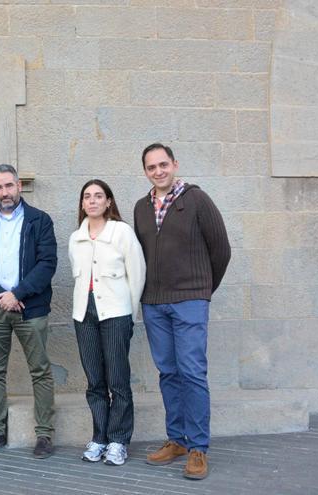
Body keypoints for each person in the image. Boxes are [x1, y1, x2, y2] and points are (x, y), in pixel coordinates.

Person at [134, 143, 230, 480]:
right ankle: (176, 439)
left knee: (191, 372)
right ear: (145, 171)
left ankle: (198, 447)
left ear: (174, 164)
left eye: (163, 164)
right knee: (168, 372)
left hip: (189, 301)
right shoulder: (140, 208)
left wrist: (202, 291)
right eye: (151, 167)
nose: (158, 171)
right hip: (154, 303)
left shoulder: (197, 200)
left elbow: (221, 249)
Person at [0, 164, 58, 459]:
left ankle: (44, 434)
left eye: (8, 185)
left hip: (30, 308)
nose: (4, 192)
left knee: (40, 371)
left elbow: (47, 264)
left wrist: (17, 294)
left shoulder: (39, 220)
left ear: (19, 186)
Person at [68, 179, 145, 466]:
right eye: (87, 196)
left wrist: (131, 315)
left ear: (109, 201)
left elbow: (137, 275)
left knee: (118, 380)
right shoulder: (76, 237)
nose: (92, 201)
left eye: (98, 196)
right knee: (95, 381)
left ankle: (118, 440)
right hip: (84, 315)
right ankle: (99, 437)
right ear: (82, 203)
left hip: (115, 314)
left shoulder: (121, 232)